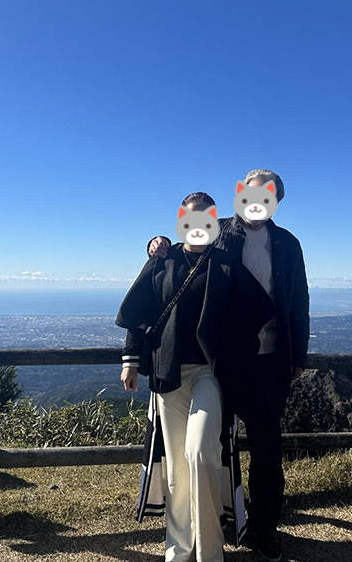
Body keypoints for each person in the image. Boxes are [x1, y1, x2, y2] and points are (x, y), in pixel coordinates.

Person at [146, 169, 310, 562]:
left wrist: (298, 355)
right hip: (220, 363)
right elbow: (178, 251)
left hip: (270, 363)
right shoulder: (217, 231)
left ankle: (263, 529)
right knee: (208, 449)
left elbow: (299, 300)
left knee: (268, 451)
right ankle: (214, 526)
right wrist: (155, 243)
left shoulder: (288, 244)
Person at [117, 191, 275, 562]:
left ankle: (209, 551)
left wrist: (251, 356)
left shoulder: (225, 265)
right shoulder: (164, 258)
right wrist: (130, 360)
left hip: (210, 374)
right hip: (168, 373)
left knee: (201, 453)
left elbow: (261, 311)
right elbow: (141, 310)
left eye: (206, 219)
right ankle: (179, 551)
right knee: (176, 468)